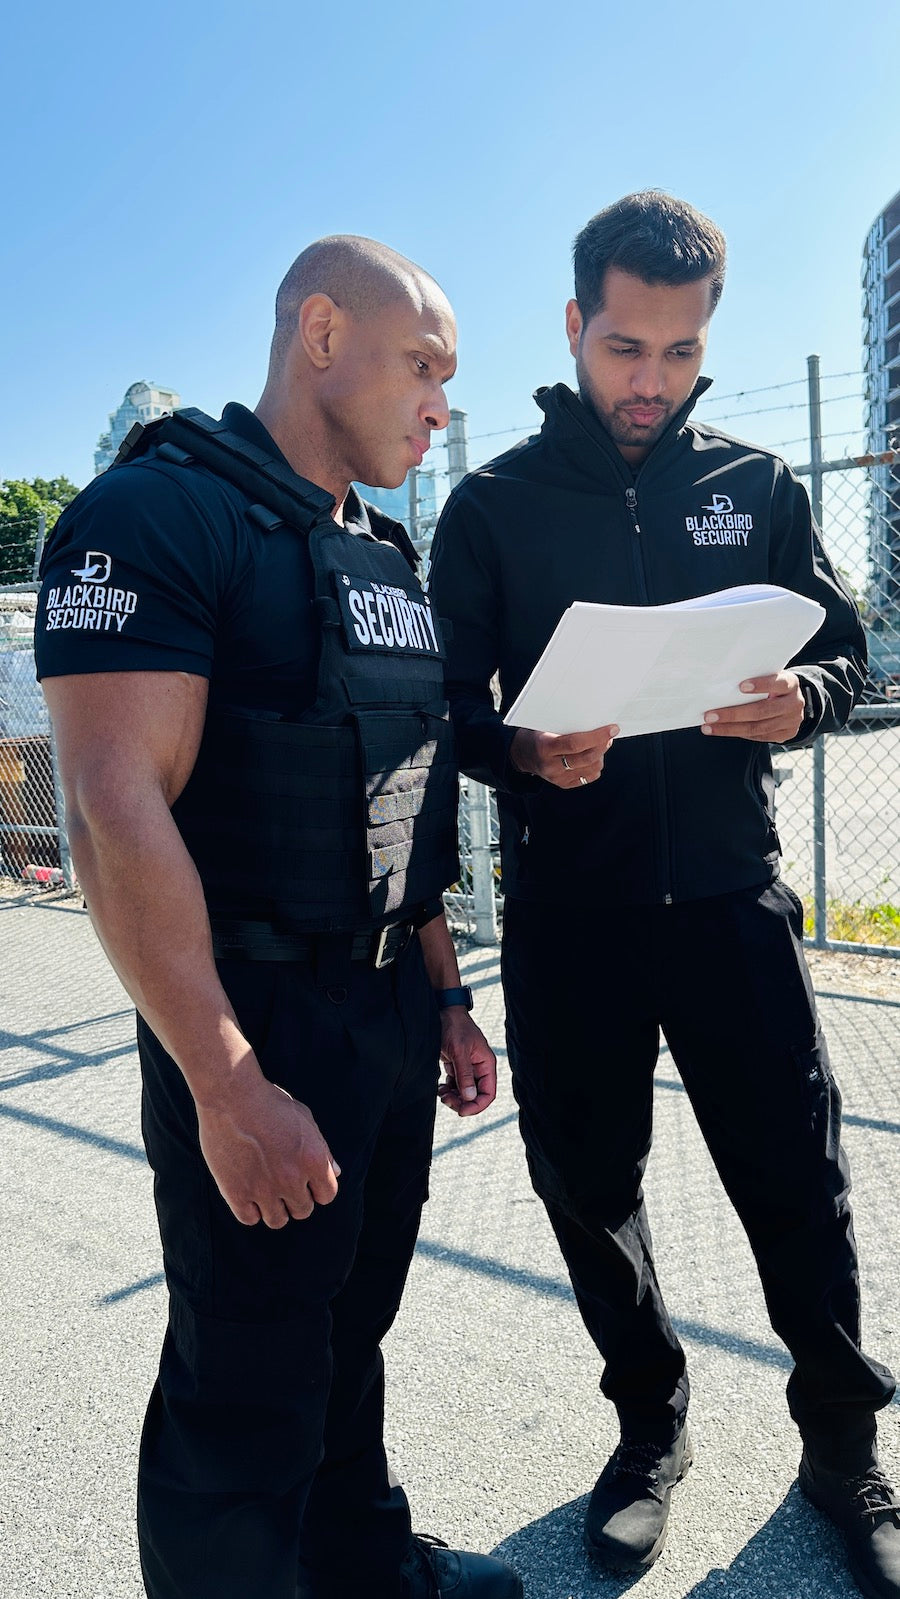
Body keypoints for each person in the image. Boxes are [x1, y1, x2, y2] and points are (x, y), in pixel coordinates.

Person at [35, 236, 523, 1599]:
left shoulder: (378, 546)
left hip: (380, 1012)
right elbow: (111, 812)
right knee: (244, 1375)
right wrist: (225, 1082)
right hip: (251, 1017)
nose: (440, 405)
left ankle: (364, 1566)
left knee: (347, 1327)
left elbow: (403, 786)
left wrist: (440, 993)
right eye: (422, 366)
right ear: (321, 332)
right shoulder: (154, 515)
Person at [428, 191, 900, 1598]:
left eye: (681, 353)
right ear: (575, 325)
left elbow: (851, 650)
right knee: (587, 1184)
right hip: (570, 915)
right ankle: (649, 1427)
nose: (652, 382)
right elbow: (443, 713)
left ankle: (842, 1450)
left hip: (731, 902)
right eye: (626, 347)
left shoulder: (755, 486)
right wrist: (515, 746)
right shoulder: (493, 506)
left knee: (798, 1181)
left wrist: (801, 700)